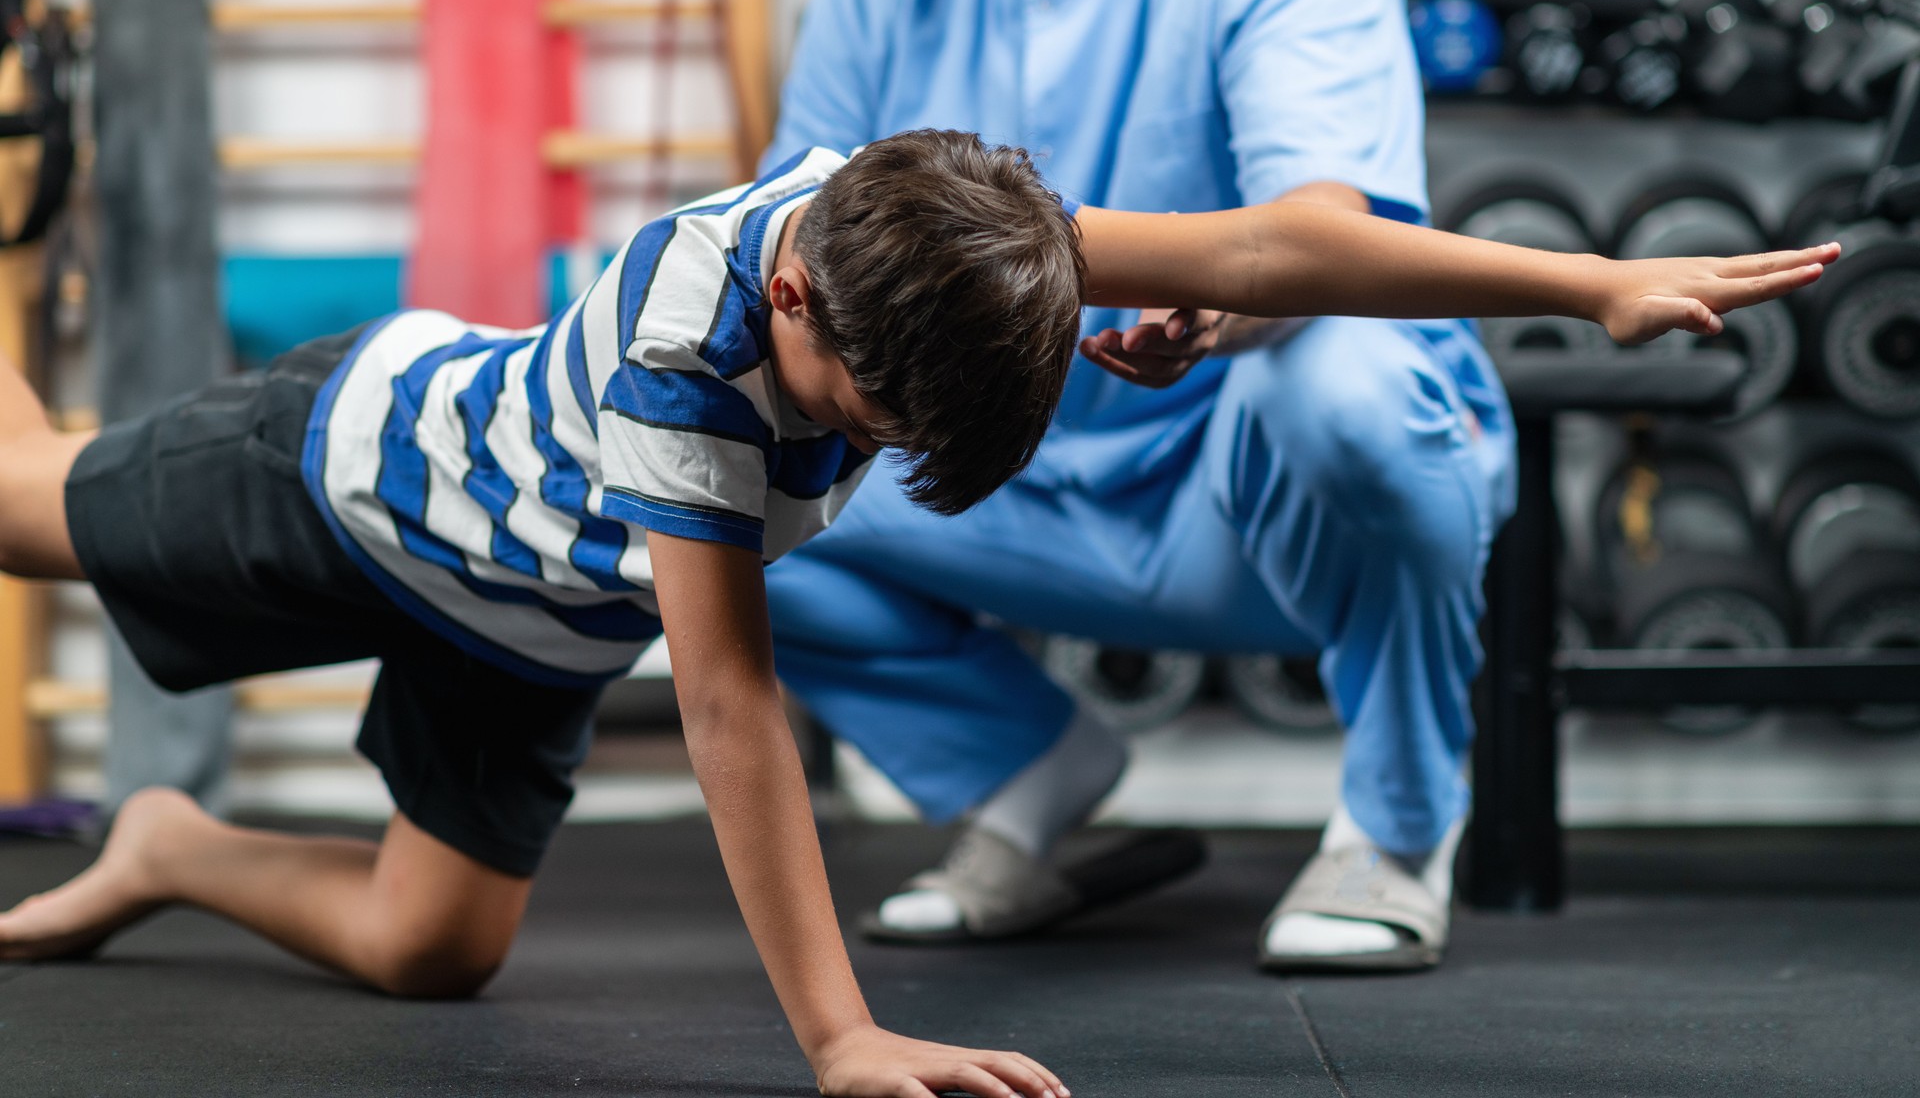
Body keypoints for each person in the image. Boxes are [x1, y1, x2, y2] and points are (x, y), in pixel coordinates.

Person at [0, 124, 1831, 1097]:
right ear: (793, 299)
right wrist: (842, 1039)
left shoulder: (952, 230)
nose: (865, 448)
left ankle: (162, 841)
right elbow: (729, 715)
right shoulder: (686, 372)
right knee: (18, 509)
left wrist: (1584, 281)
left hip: (527, 617)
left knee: (429, 952)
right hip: (349, 472)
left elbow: (1269, 246)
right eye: (865, 419)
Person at [762, 0, 1536, 970]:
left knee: (1350, 379)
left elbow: (1323, 226)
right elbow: (798, 277)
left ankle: (1398, 824)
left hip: (1244, 496)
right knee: (694, 467)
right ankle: (1021, 771)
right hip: (999, 482)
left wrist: (1224, 307)